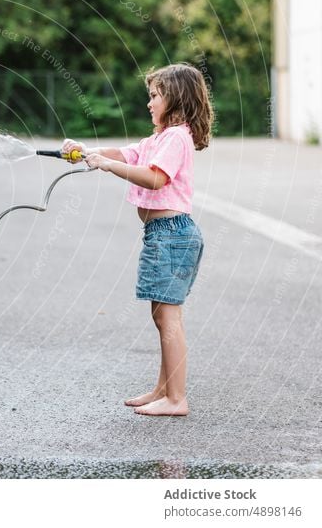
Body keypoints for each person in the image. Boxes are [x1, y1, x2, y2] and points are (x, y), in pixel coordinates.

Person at [62, 63, 213, 416]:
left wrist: (105, 165)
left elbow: (155, 178)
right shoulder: (161, 137)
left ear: (174, 98)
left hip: (171, 236)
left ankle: (176, 399)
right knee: (164, 316)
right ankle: (164, 390)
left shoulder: (176, 137)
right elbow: (129, 154)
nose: (149, 103)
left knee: (167, 318)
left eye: (155, 96)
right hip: (165, 236)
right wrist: (89, 151)